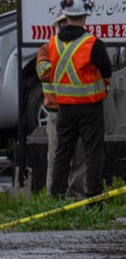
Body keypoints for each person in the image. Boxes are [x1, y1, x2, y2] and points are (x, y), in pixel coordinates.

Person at [47, 0, 112, 198]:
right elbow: (107, 71)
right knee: (93, 154)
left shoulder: (53, 43)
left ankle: (55, 199)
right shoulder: (93, 44)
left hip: (64, 108)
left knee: (62, 154)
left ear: (65, 16)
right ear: (85, 16)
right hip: (89, 108)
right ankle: (93, 200)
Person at [37, 13, 87, 196]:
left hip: (80, 109)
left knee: (80, 158)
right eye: (64, 22)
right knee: (56, 158)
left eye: (70, 20)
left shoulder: (84, 46)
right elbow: (43, 72)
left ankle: (77, 198)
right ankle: (54, 199)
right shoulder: (47, 48)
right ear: (59, 25)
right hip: (56, 111)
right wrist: (69, 61)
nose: (68, 24)